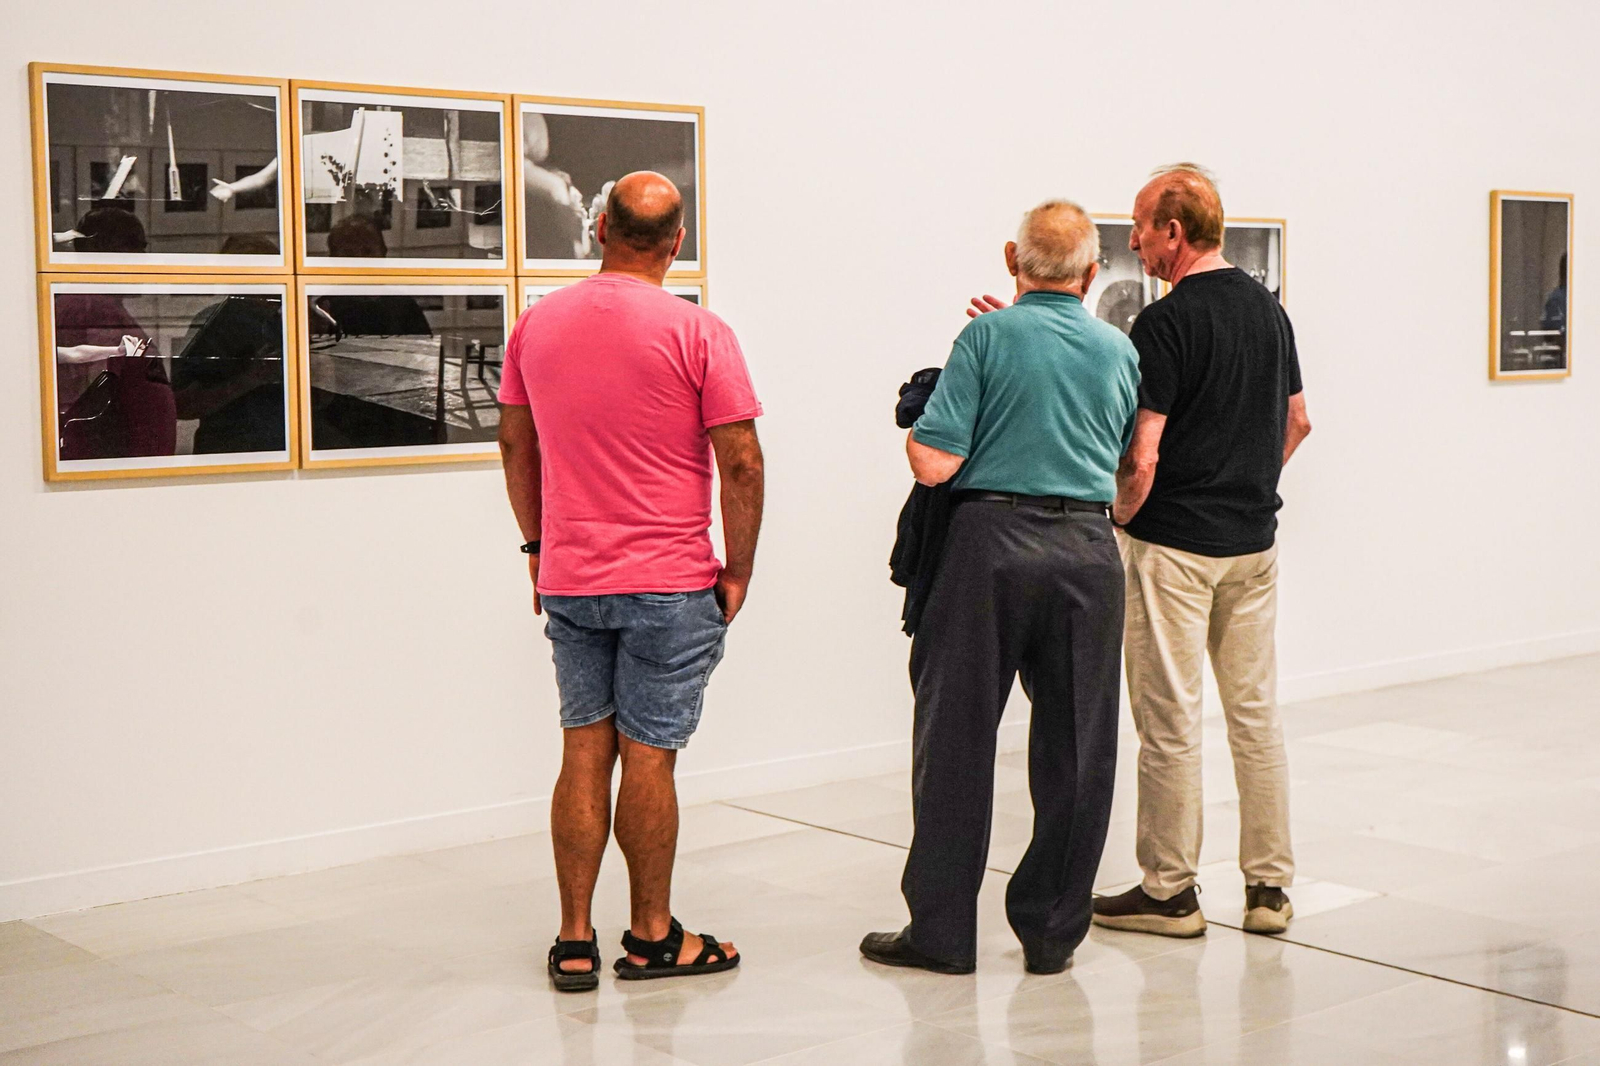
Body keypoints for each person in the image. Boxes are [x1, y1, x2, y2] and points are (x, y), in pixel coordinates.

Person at [497, 171, 764, 991]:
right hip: (670, 582)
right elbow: (742, 461)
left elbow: (516, 447)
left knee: (584, 748)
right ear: (677, 243)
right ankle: (652, 936)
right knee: (649, 760)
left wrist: (538, 545)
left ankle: (574, 939)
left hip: (574, 578)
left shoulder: (536, 326)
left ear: (598, 227)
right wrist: (740, 567)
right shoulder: (701, 332)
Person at [860, 200, 1139, 976]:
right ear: (1092, 272)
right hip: (1088, 550)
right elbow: (1133, 465)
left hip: (990, 549)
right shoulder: (1120, 350)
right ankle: (1052, 935)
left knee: (955, 741)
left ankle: (944, 933)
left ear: (1013, 257)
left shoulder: (984, 336)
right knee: (1080, 747)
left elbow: (933, 464)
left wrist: (928, 416)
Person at [1091, 164, 1312, 938]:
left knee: (1170, 718)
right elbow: (1298, 422)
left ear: (1173, 233)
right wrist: (1246, 485)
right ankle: (1269, 889)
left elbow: (1144, 453)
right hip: (1254, 546)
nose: (1133, 241)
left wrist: (1118, 517)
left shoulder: (1164, 323)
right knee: (1255, 715)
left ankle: (1170, 891)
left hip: (1176, 548)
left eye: (1141, 226)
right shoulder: (1268, 311)